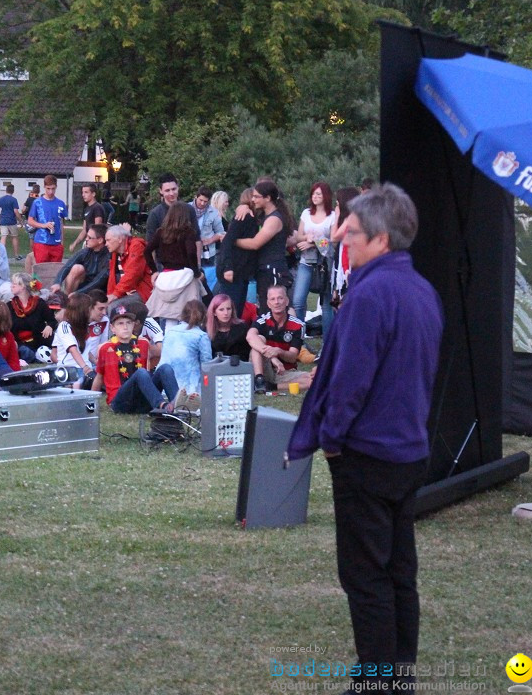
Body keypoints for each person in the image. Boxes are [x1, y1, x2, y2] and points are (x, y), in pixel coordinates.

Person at [286, 185, 443, 691]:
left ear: (378, 238)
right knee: (398, 570)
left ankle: (378, 682)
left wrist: (331, 437)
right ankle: (397, 676)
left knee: (367, 576)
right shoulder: (422, 289)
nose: (340, 238)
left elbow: (350, 380)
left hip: (369, 453)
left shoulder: (370, 294)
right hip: (407, 450)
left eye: (349, 231)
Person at [91, 301, 180, 414]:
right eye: (120, 323)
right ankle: (163, 406)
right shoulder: (105, 348)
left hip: (141, 400)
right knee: (141, 372)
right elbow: (99, 377)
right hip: (120, 401)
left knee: (165, 368)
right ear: (112, 328)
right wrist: (91, 403)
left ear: (134, 325)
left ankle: (178, 404)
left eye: (129, 323)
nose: (125, 327)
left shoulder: (143, 343)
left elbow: (147, 373)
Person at [235, 181, 295, 310]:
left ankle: (294, 330)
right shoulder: (264, 215)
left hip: (273, 269)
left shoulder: (274, 219)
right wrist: (243, 207)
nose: (253, 199)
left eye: (256, 197)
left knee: (278, 309)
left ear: (267, 198)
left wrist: (232, 241)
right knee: (265, 308)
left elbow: (256, 243)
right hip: (264, 269)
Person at [145, 202, 204, 328]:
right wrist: (196, 272)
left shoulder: (161, 232)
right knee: (189, 317)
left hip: (165, 278)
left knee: (169, 319)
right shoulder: (188, 233)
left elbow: (147, 251)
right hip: (186, 277)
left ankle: (168, 345)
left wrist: (154, 270)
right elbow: (192, 253)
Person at [246, 284, 311, 393]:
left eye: (280, 298)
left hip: (285, 371)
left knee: (314, 380)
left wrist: (279, 352)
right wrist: (273, 358)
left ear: (286, 301)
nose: (277, 302)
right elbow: (250, 336)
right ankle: (259, 380)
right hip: (264, 367)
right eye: (273, 299)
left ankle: (271, 387)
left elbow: (292, 357)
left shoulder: (298, 325)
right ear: (268, 303)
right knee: (259, 339)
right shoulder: (262, 320)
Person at [292, 181, 336, 336]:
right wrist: (307, 238)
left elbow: (333, 242)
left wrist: (313, 243)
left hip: (325, 264)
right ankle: (299, 339)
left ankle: (327, 343)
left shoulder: (332, 216)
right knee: (298, 300)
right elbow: (299, 236)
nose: (315, 196)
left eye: (319, 193)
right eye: (313, 193)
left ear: (326, 196)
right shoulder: (306, 213)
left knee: (326, 304)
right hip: (306, 262)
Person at [158, 299, 211, 400]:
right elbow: (207, 365)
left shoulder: (170, 332)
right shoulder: (201, 336)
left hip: (163, 386)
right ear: (204, 316)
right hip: (189, 388)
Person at [216, 188, 259, 315]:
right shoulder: (243, 216)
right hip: (233, 270)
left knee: (238, 309)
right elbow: (227, 241)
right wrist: (228, 267)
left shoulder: (254, 217)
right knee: (229, 310)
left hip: (242, 271)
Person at [144, 173, 200, 264]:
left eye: (174, 189)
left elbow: (197, 239)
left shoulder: (189, 210)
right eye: (167, 190)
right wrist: (154, 271)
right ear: (161, 191)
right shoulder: (155, 214)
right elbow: (150, 245)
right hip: (164, 266)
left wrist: (197, 265)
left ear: (178, 187)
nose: (171, 193)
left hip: (188, 264)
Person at [51, 292, 94, 385]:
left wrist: (97, 362)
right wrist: (85, 368)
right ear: (83, 311)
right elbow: (73, 349)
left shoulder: (85, 327)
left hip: (86, 367)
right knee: (78, 383)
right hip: (71, 369)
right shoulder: (64, 326)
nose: (92, 312)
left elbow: (86, 351)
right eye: (90, 309)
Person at [55, 223, 109, 294]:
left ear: (100, 240)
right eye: (86, 236)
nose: (86, 239)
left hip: (100, 290)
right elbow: (67, 266)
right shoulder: (85, 252)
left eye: (90, 237)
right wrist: (57, 282)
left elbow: (100, 280)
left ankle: (72, 298)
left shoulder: (109, 256)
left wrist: (78, 293)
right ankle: (67, 298)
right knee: (77, 268)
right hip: (83, 286)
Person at [105, 224, 153, 302]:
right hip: (127, 291)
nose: (106, 244)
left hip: (142, 292)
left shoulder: (136, 246)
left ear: (120, 239)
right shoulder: (115, 252)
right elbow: (112, 279)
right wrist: (110, 296)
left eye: (108, 240)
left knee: (115, 308)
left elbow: (133, 274)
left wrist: (115, 294)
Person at [330, 186, 360, 310]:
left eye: (338, 202)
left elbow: (334, 237)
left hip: (347, 263)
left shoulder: (351, 218)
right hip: (341, 258)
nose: (336, 205)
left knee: (344, 300)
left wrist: (336, 216)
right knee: (337, 299)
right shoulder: (348, 218)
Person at [27, 174, 67, 263]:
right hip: (41, 242)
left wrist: (61, 243)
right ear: (44, 187)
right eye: (48, 189)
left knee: (55, 272)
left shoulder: (61, 203)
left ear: (56, 187)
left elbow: (61, 223)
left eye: (53, 189)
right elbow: (30, 221)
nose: (51, 192)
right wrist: (43, 225)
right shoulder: (37, 202)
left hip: (56, 244)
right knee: (41, 272)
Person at [194, 186, 225, 289]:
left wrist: (210, 240)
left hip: (208, 254)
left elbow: (220, 232)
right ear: (196, 197)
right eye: (200, 200)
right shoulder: (187, 209)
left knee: (207, 279)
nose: (202, 203)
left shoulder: (213, 212)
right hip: (191, 251)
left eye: (205, 201)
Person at [206, 293, 250, 360]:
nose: (226, 313)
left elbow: (246, 352)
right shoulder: (205, 330)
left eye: (228, 309)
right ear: (214, 312)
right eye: (221, 310)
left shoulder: (242, 328)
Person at [70, 184, 106, 252]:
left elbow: (98, 229)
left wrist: (89, 240)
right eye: (82, 192)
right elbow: (84, 230)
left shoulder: (97, 207)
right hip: (89, 242)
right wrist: (75, 243)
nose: (83, 195)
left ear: (93, 194)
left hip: (96, 245)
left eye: (86, 192)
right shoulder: (86, 209)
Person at [0, 183, 23, 260]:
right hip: (12, 221)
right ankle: (17, 255)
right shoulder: (14, 200)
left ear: (6, 190)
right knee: (14, 237)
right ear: (13, 191)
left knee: (3, 237)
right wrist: (20, 221)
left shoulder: (1, 199)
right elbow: (16, 211)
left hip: (3, 221)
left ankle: (1, 255)